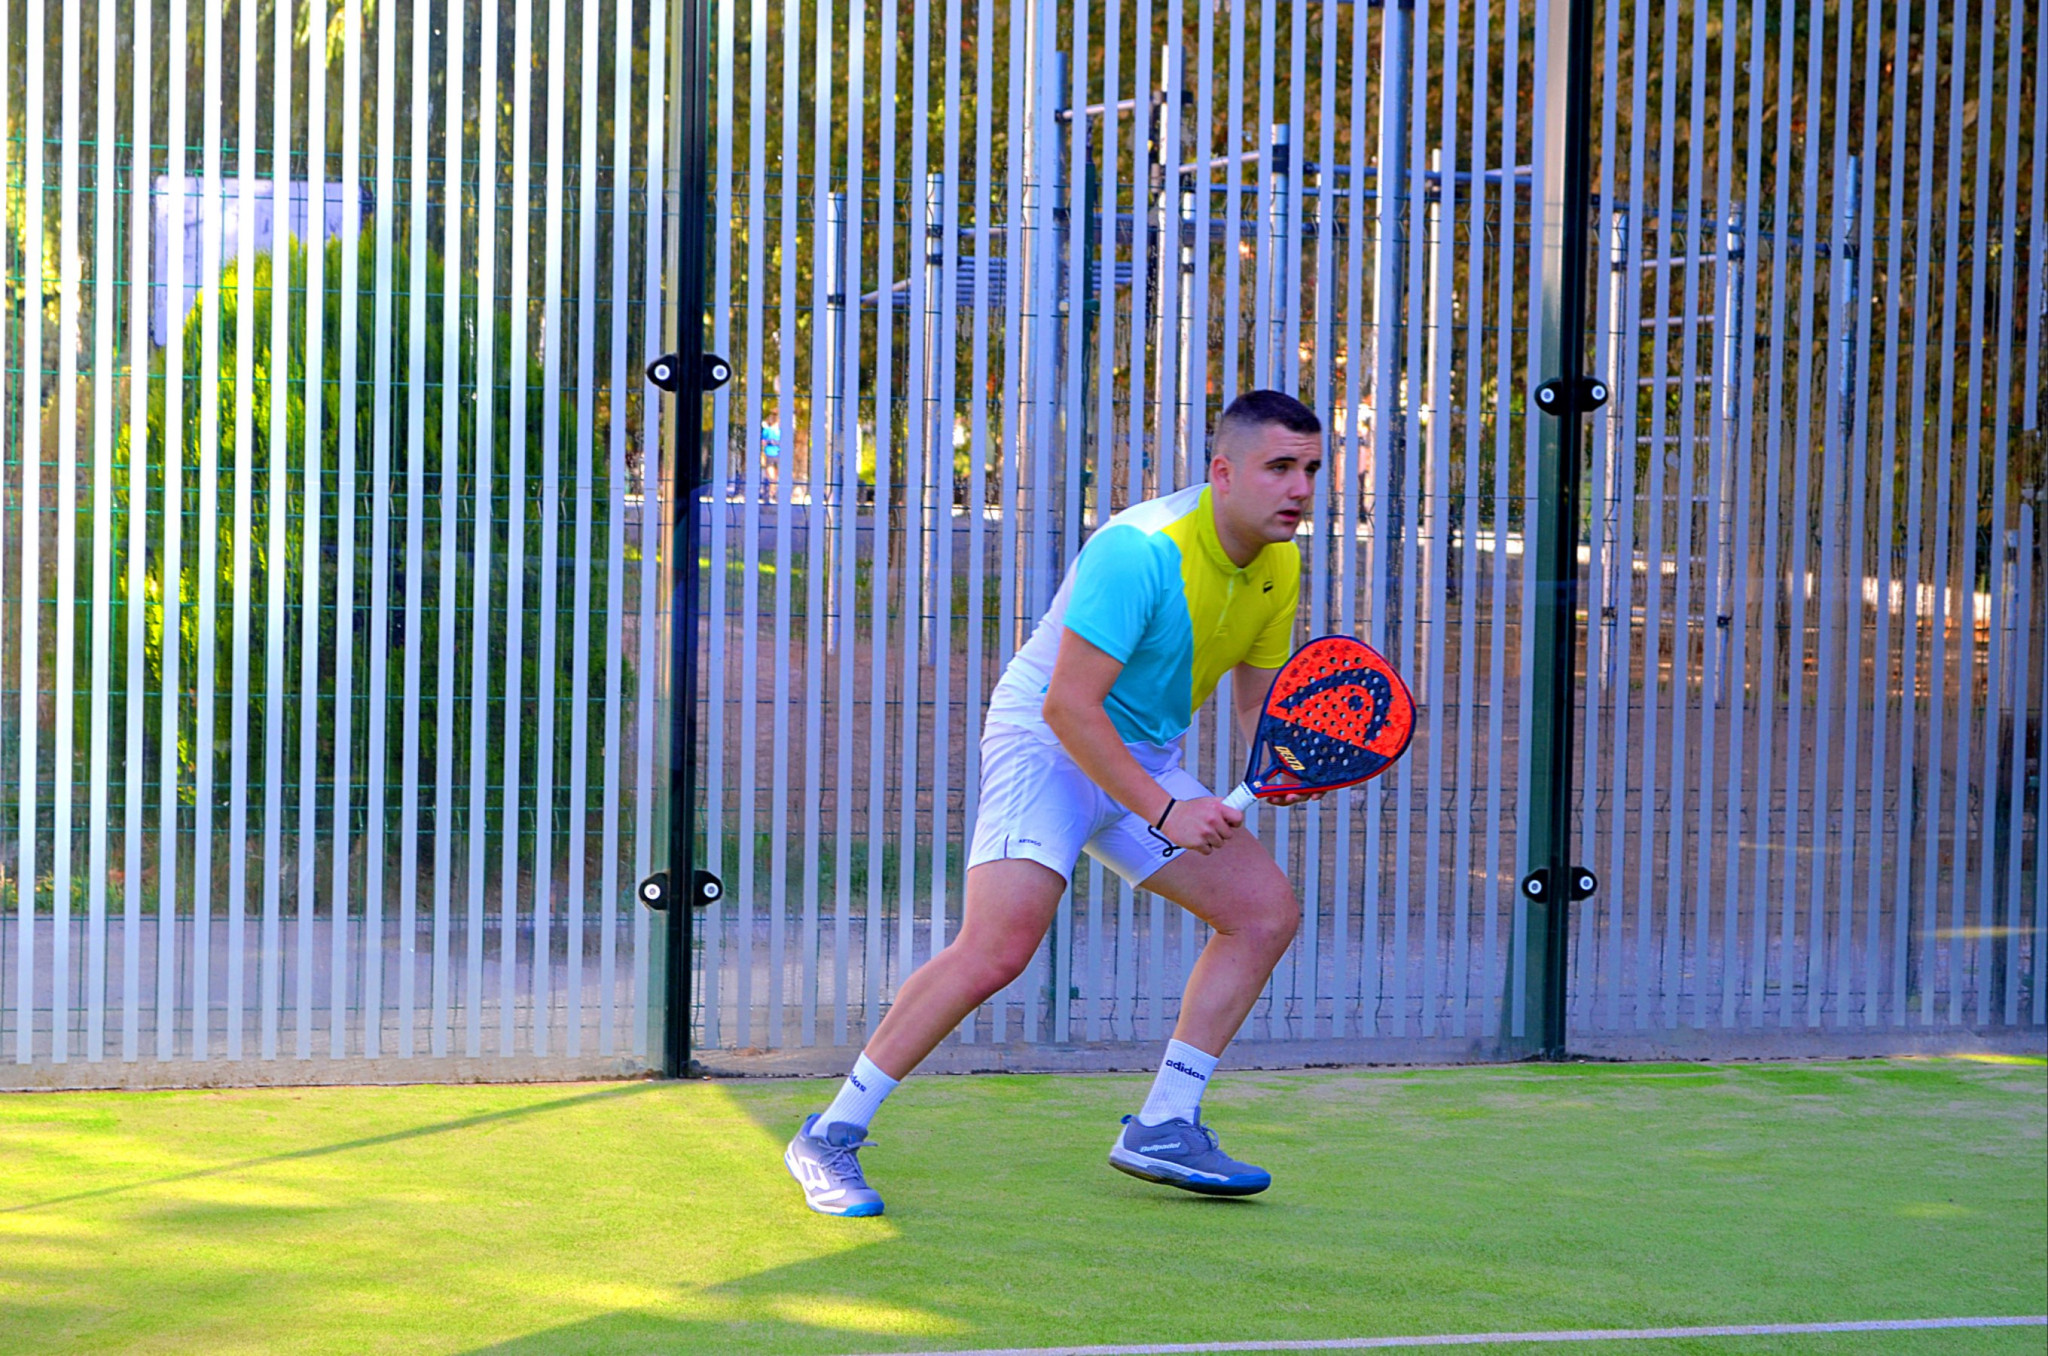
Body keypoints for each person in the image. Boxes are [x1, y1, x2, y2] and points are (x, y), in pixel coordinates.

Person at [784, 389, 1325, 1217]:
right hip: (1046, 746)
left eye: (1311, 470)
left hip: (1141, 755)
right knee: (997, 950)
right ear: (1223, 472)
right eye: (1279, 467)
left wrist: (1284, 763)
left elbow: (1260, 707)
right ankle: (829, 1134)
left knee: (1263, 914)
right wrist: (1165, 810)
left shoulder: (1278, 565)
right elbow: (1068, 708)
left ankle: (1164, 1123)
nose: (1299, 489)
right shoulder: (1139, 551)